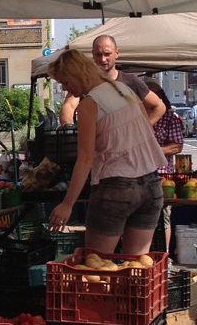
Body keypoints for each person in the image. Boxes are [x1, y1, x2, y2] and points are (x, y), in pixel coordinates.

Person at [46, 49, 166, 255]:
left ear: (78, 75)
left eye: (65, 82)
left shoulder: (89, 104)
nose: (65, 88)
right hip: (151, 186)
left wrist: (67, 205)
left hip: (116, 188)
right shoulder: (123, 89)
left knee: (96, 267)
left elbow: (84, 159)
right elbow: (147, 126)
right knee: (136, 267)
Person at [59, 34, 165, 128]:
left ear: (117, 53)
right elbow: (69, 106)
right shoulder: (85, 83)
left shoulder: (131, 81)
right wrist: (68, 128)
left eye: (107, 54)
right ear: (93, 55)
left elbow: (159, 106)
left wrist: (140, 130)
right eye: (98, 55)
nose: (103, 59)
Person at [145, 80, 184, 254]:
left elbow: (177, 146)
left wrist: (154, 151)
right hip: (136, 174)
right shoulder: (136, 115)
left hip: (162, 176)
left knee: (164, 218)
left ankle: (165, 253)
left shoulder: (170, 118)